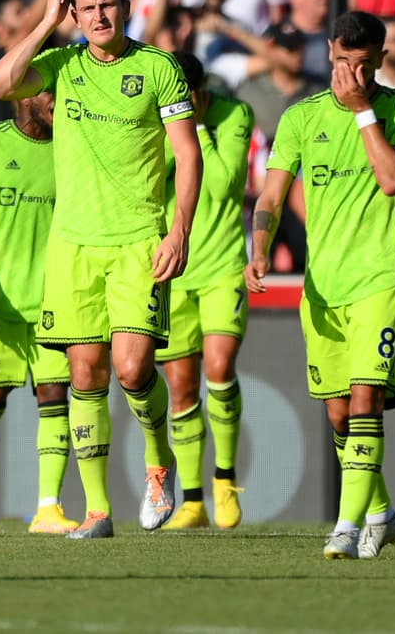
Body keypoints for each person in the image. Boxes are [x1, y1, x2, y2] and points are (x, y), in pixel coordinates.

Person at [0, 0, 204, 539]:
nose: (99, 16)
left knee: (133, 370)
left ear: (127, 7)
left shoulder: (158, 69)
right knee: (85, 376)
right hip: (73, 245)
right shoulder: (60, 64)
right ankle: (99, 511)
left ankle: (160, 463)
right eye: (87, 8)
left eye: (108, 5)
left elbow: (187, 153)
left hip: (138, 242)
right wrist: (44, 23)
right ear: (74, 14)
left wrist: (178, 230)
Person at [246, 10, 395, 560]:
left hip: (380, 275)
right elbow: (272, 197)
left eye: (365, 63)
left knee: (366, 397)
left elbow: (394, 180)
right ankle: (381, 512)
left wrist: (363, 113)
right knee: (337, 410)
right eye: (344, 60)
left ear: (381, 58)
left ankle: (346, 526)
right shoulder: (301, 118)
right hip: (323, 285)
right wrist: (259, 248)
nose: (353, 72)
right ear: (329, 51)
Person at [0, 89, 79, 534]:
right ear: (24, 97)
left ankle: (48, 507)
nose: (59, 102)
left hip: (54, 303)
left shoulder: (72, 147)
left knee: (55, 399)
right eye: (51, 93)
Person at [157, 52, 252, 531]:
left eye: (187, 98)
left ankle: (225, 480)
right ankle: (191, 502)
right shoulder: (156, 118)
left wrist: (193, 129)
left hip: (221, 268)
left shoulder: (235, 115)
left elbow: (222, 185)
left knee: (219, 368)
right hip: (175, 271)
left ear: (200, 92)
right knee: (181, 389)